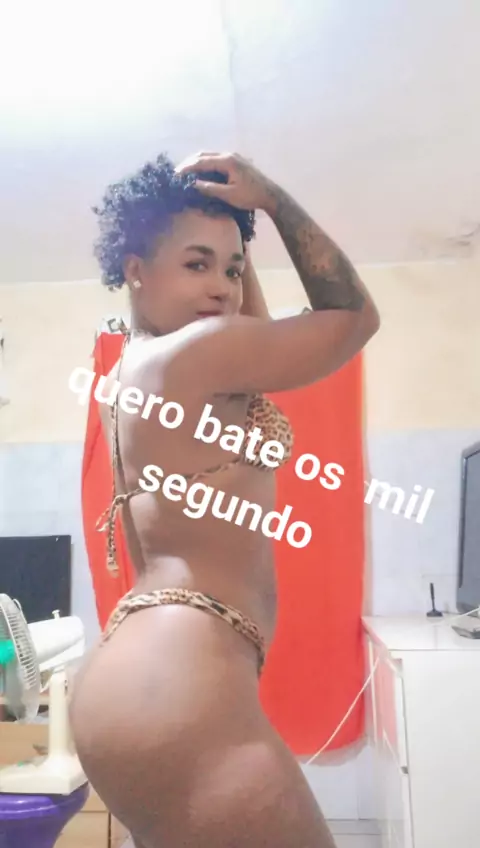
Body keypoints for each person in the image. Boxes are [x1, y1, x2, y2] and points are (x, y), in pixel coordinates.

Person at [70, 150, 380, 848]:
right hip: (180, 686)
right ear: (136, 269)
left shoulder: (135, 368)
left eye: (233, 269)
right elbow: (355, 318)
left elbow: (256, 349)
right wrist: (272, 199)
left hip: (140, 680)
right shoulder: (200, 350)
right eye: (196, 263)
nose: (220, 287)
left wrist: (240, 252)